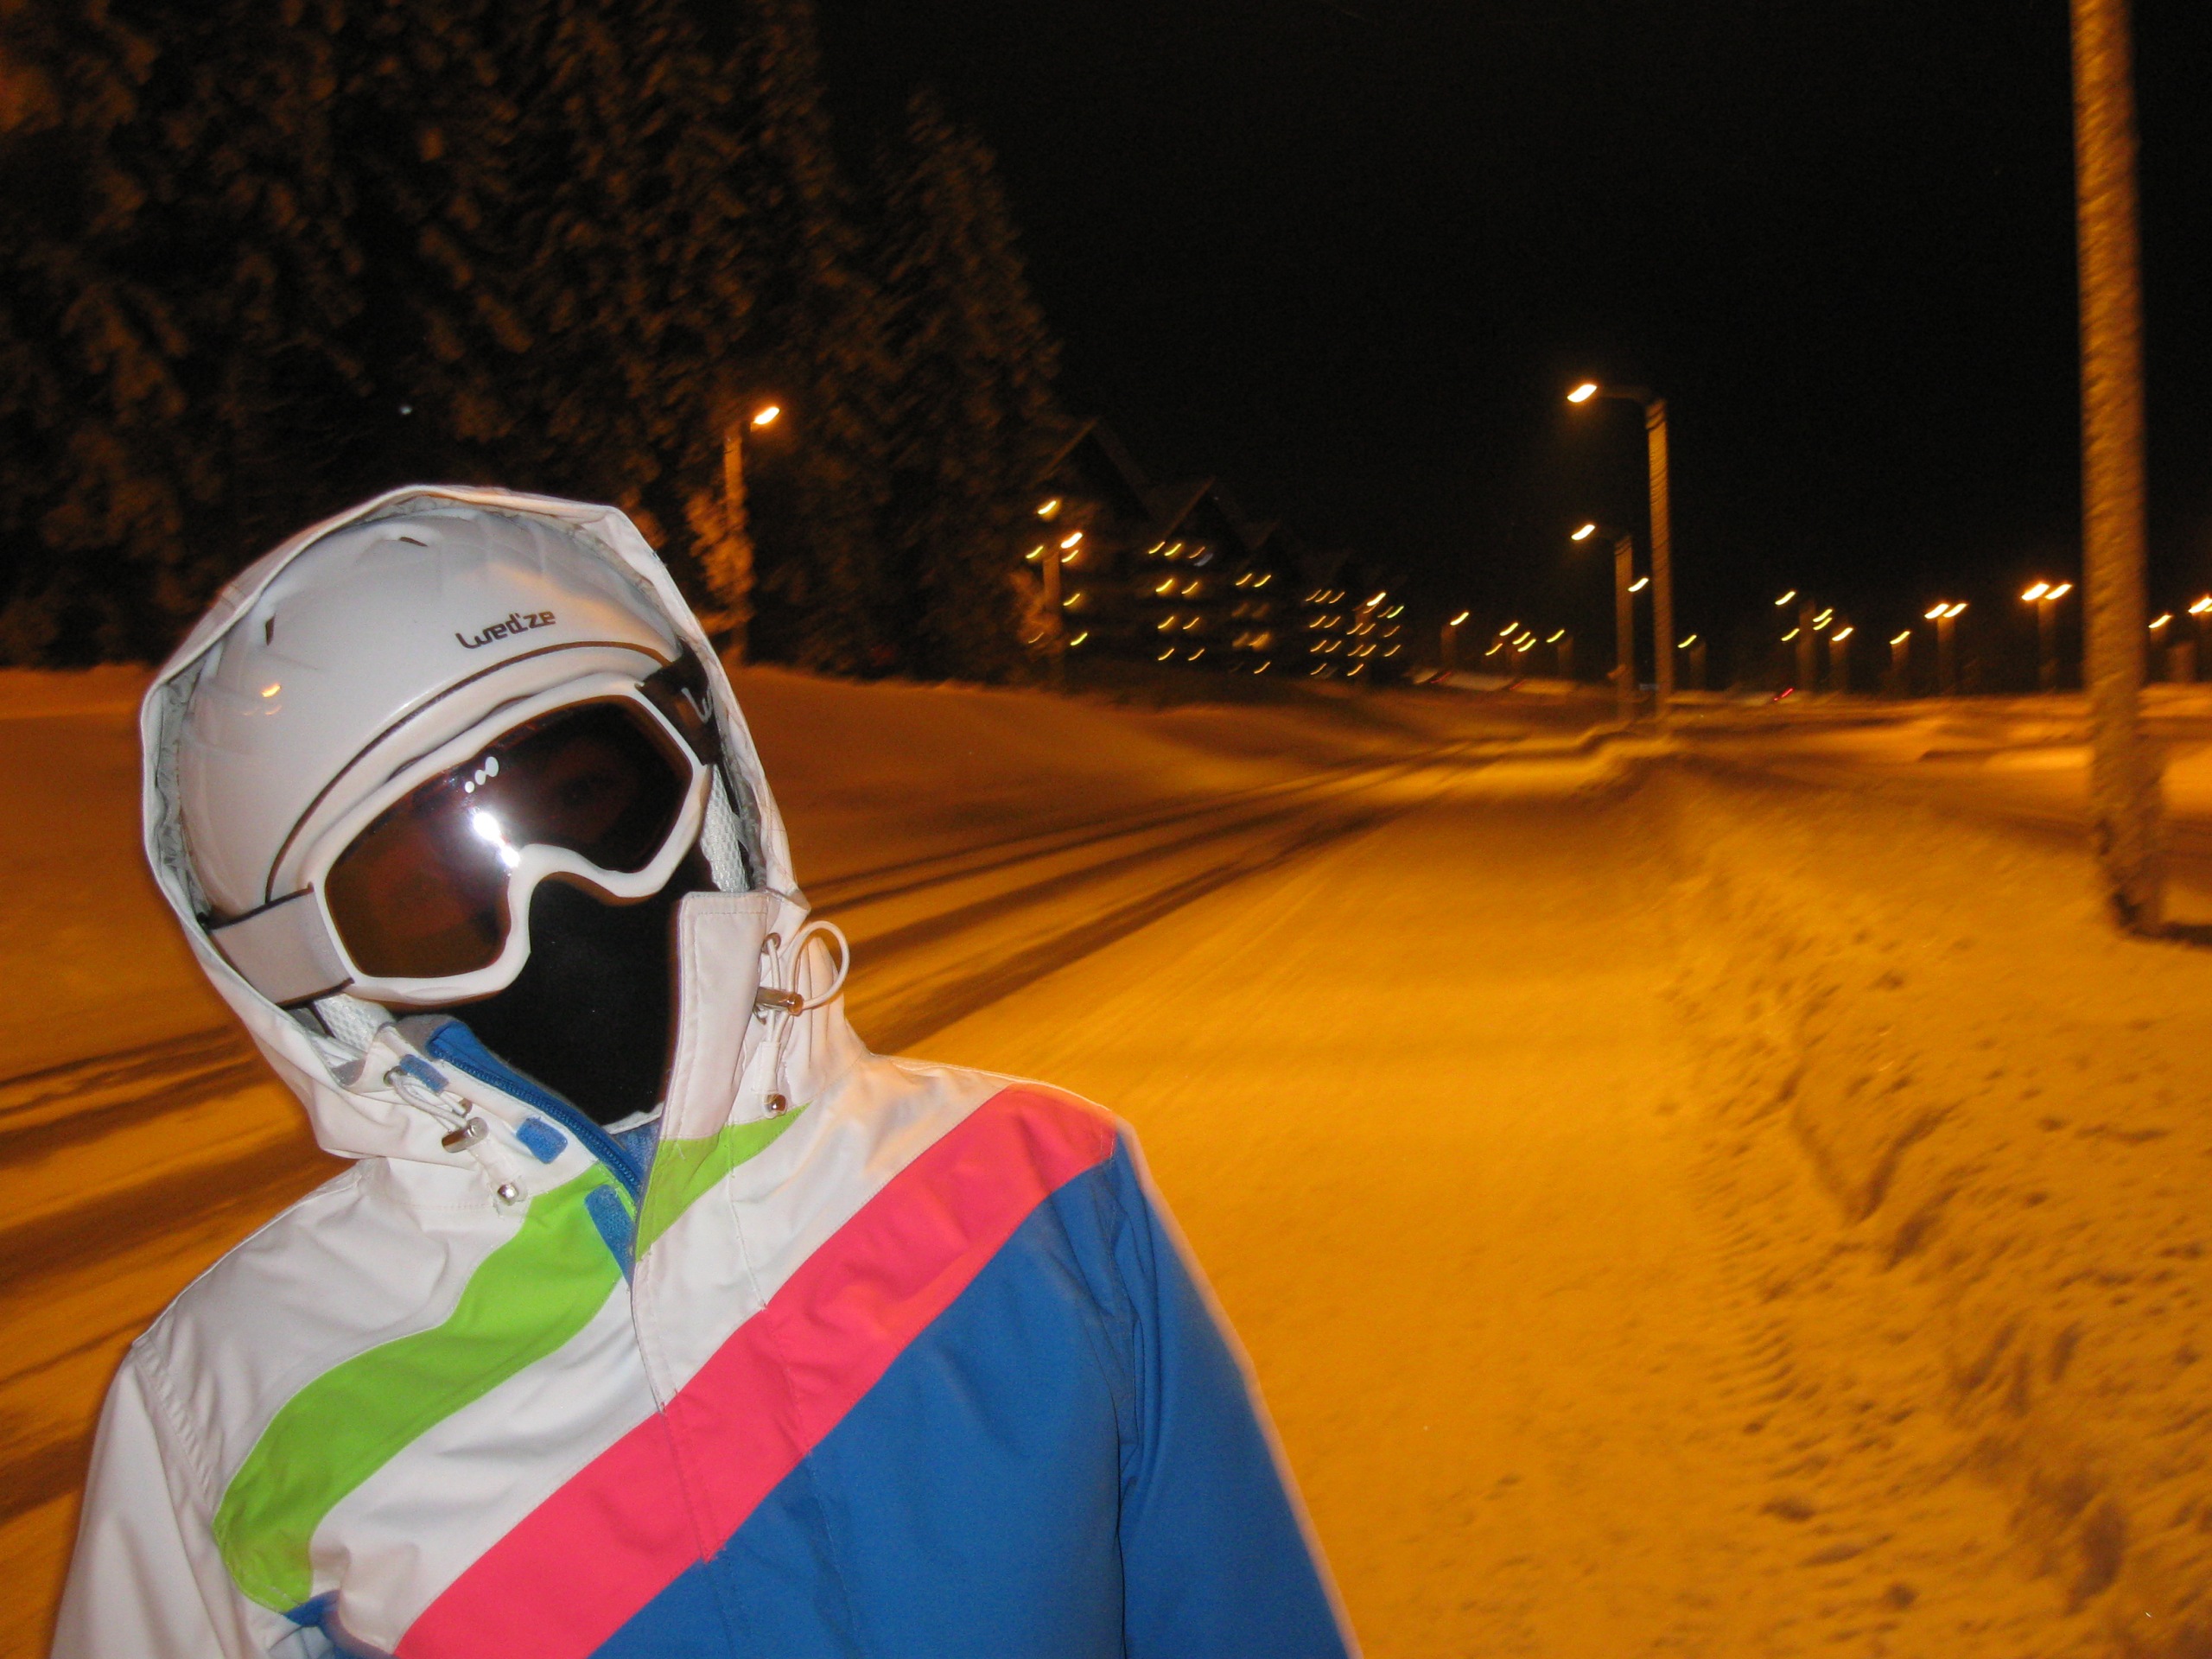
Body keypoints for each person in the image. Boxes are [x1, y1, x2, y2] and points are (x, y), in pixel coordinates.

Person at [53, 486, 1354, 1659]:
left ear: (711, 782)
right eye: (433, 897)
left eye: (589, 799)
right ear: (318, 972)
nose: (558, 901)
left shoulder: (1042, 1187)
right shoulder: (226, 1403)